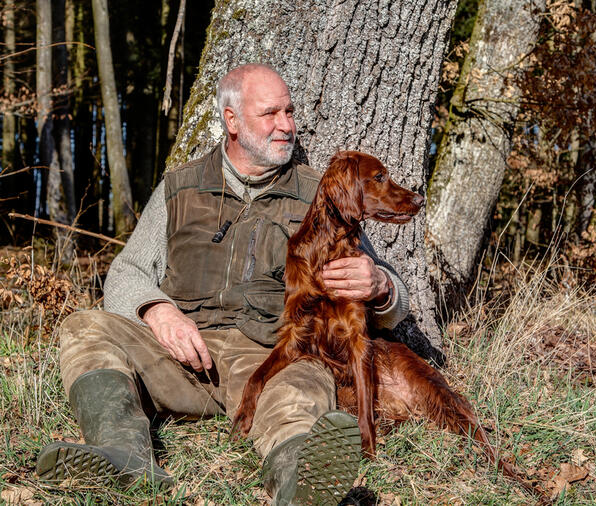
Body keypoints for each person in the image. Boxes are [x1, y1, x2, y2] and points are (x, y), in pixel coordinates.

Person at [36, 63, 410, 505]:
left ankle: (300, 482)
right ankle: (123, 452)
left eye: (289, 112)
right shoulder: (182, 188)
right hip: (182, 358)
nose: (286, 126)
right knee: (85, 327)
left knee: (304, 385)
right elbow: (126, 271)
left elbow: (390, 293)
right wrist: (158, 311)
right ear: (232, 121)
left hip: (271, 358)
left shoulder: (320, 193)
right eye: (270, 113)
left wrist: (381, 284)